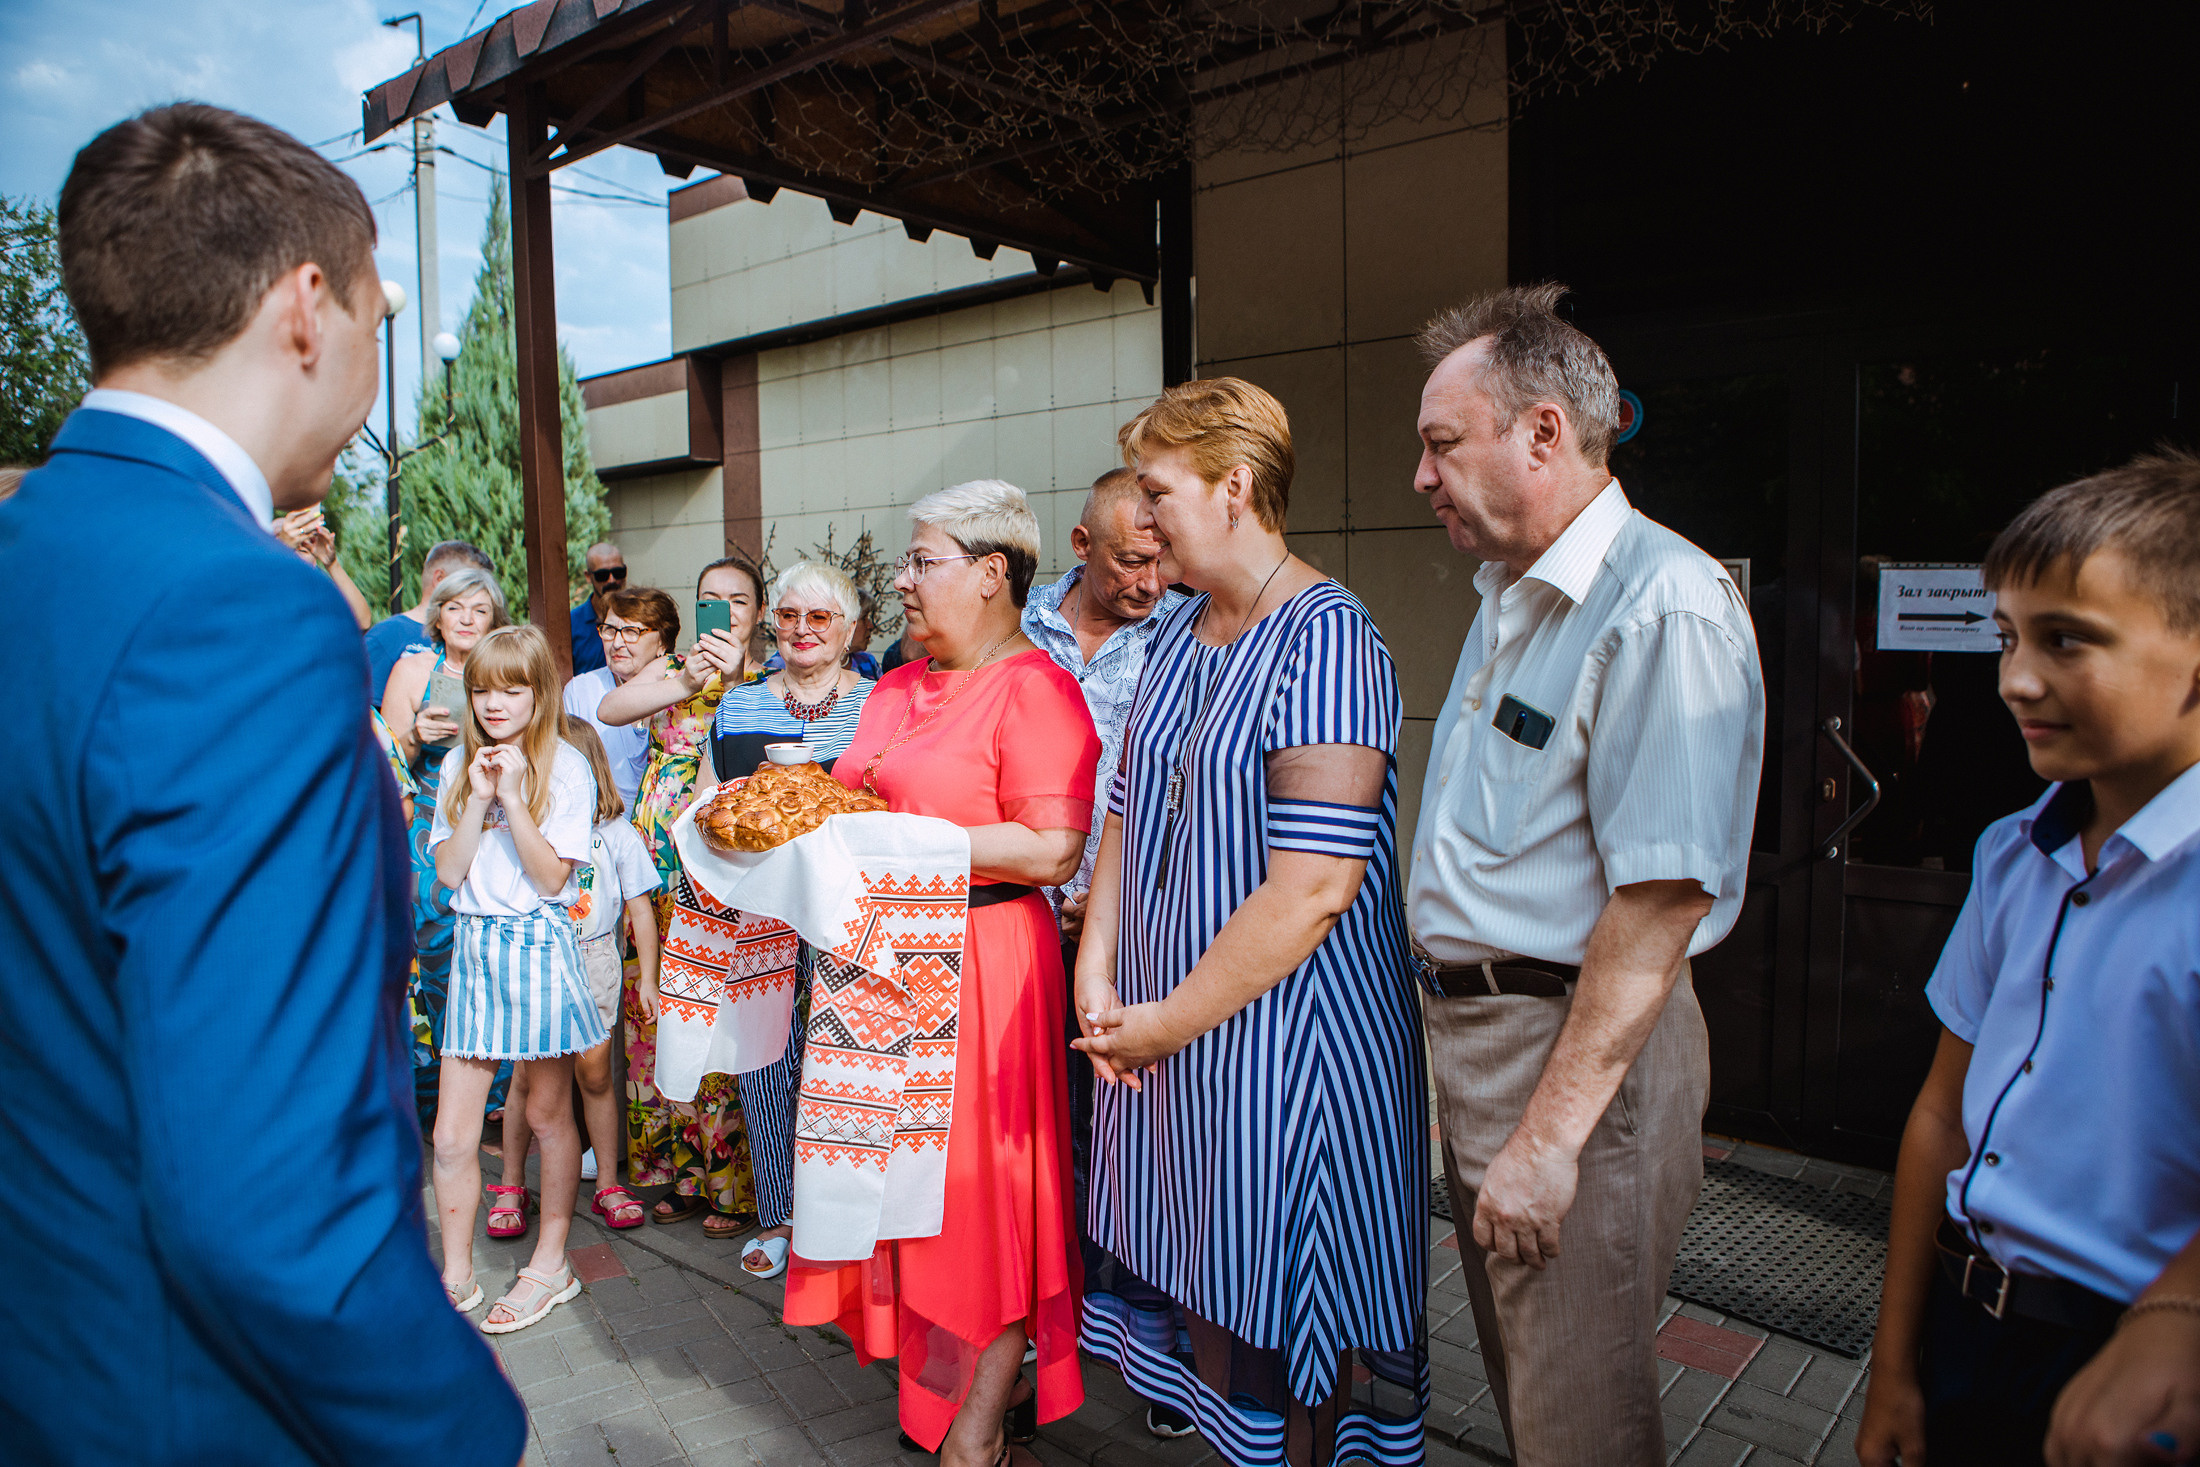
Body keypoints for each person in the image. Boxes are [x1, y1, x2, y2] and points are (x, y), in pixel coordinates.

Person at [0, 102, 522, 1461]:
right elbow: (267, 1196)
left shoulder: (34, 551)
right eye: (373, 313)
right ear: (307, 307)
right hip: (196, 1400)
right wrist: (460, 1428)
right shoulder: (235, 605)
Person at [1404, 284, 1765, 1467]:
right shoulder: (1513, 591)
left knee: (1579, 1418)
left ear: (1543, 433)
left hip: (1572, 1049)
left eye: (1440, 444)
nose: (1421, 477)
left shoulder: (1659, 602)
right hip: (1493, 1039)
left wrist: (1549, 1139)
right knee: (1530, 1388)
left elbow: (1659, 903)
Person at [1071, 380, 1429, 1465]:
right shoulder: (1177, 630)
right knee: (1209, 1293)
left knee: (1292, 1314)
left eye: (1157, 491)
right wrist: (1098, 974)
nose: (1141, 520)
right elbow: (1124, 816)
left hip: (1288, 1062)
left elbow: (1312, 888)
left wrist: (1162, 1022)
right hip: (1171, 1043)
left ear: (1235, 489)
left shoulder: (1328, 637)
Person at [1857, 453, 2200, 1467]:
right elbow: (1939, 1114)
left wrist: (2179, 1305)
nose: (2014, 678)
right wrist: (1891, 1366)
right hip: (1969, 1325)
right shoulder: (2013, 851)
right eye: (2006, 637)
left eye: (2066, 640)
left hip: (2130, 1354)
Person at [786, 480, 1100, 1467]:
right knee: (897, 1192)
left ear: (993, 572)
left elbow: (1052, 848)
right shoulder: (894, 685)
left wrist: (902, 841)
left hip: (982, 968)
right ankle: (942, 1395)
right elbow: (841, 807)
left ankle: (975, 1432)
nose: (904, 580)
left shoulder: (1036, 689)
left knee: (979, 1204)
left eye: (923, 561)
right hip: (881, 960)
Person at [699, 558, 878, 1280]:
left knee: (843, 1059)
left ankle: (843, 1215)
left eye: (820, 617)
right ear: (771, 623)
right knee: (766, 1058)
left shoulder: (879, 703)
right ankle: (778, 1214)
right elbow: (709, 799)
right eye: (789, 616)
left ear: (848, 628)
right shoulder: (738, 704)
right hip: (760, 907)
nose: (802, 630)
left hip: (846, 912)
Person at [427, 623, 606, 1334]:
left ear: (539, 690)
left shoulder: (566, 766)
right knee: (449, 1136)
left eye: (511, 687)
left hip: (537, 943)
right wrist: (476, 794)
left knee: (543, 1115)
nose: (494, 703)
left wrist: (513, 794)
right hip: (474, 947)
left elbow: (552, 875)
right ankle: (455, 1276)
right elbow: (448, 873)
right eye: (480, 688)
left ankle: (550, 1262)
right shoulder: (455, 765)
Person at [597, 555, 766, 1236]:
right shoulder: (678, 672)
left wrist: (727, 686)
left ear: (758, 612)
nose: (722, 609)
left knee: (717, 1015)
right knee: (655, 1017)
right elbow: (611, 707)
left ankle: (736, 1182)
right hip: (653, 869)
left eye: (737, 599)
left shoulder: (764, 682)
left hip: (721, 864)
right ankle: (684, 1171)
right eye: (708, 598)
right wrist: (686, 678)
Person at [496, 719, 660, 1235]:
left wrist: (649, 980)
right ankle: (512, 1182)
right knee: (526, 1077)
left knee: (593, 1075)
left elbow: (641, 910)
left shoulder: (615, 834)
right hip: (535, 959)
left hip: (592, 962)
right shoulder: (521, 829)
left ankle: (608, 1180)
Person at [383, 564, 512, 1129]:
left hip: (495, 821)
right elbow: (390, 762)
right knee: (436, 951)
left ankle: (504, 1101)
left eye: (479, 609)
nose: (466, 618)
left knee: (494, 952)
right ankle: (442, 1097)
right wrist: (417, 735)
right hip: (429, 823)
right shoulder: (414, 668)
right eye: (456, 607)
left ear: (494, 621)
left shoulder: (505, 669)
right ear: (438, 614)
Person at [562, 584, 674, 811]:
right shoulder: (581, 690)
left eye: (632, 632)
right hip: (603, 824)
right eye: (610, 630)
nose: (617, 643)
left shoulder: (683, 690)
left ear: (662, 641)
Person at [366, 538, 494, 696]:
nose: (466, 619)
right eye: (468, 580)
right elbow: (366, 710)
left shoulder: (487, 642)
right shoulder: (389, 634)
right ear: (440, 578)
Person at [273, 504, 371, 628]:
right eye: (279, 536)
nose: (297, 542)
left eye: (304, 537)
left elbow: (363, 622)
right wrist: (282, 550)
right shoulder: (264, 584)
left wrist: (332, 564)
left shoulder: (320, 590)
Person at [571, 540, 628, 675]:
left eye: (618, 572)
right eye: (602, 575)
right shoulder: (571, 624)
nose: (612, 580)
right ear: (588, 577)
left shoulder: (640, 616)